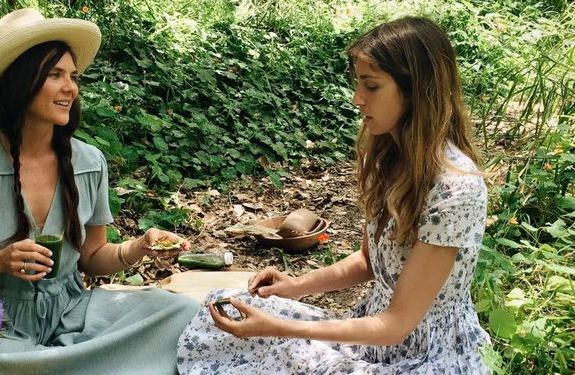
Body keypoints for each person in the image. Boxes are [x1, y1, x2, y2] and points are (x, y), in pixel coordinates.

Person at [177, 16, 491, 374]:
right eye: (358, 84)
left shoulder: (455, 190)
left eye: (371, 86)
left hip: (425, 354)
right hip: (373, 332)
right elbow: (368, 263)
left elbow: (396, 325)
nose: (357, 99)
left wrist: (281, 327)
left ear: (416, 91)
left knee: (277, 347)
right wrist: (294, 287)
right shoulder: (387, 156)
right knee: (223, 306)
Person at [0, 8, 199, 374]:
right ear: (20, 82)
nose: (70, 88)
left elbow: (93, 256)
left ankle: (53, 364)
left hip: (75, 315)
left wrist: (137, 248)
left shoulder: (89, 162)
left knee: (181, 312)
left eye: (73, 76)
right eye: (55, 75)